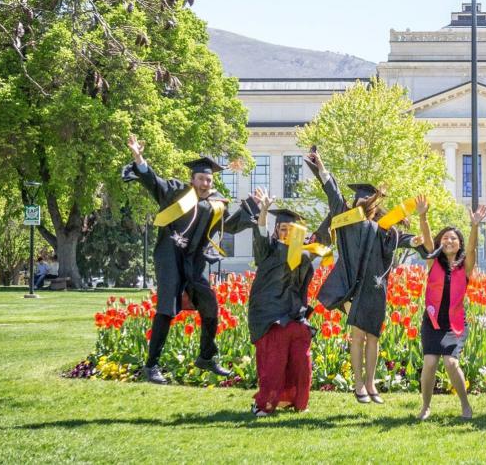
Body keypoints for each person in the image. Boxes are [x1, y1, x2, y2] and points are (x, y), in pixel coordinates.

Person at [123, 134, 260, 384]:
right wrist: (139, 158)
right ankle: (151, 366)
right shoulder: (177, 193)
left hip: (197, 262)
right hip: (170, 258)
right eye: (201, 178)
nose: (205, 183)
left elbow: (228, 226)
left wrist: (251, 205)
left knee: (210, 307)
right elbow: (154, 182)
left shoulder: (217, 202)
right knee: (166, 309)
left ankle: (206, 357)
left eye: (209, 179)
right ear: (192, 179)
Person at [304, 150, 419, 405]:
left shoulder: (383, 229)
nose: (362, 203)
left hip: (374, 289)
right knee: (358, 335)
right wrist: (322, 168)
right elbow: (333, 194)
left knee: (373, 337)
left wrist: (418, 241)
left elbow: (403, 239)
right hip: (350, 288)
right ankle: (358, 385)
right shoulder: (345, 221)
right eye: (359, 200)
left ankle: (370, 384)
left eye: (368, 200)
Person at [247, 193, 331, 417]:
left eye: (291, 229)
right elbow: (260, 233)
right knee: (273, 368)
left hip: (295, 318)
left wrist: (339, 205)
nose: (286, 232)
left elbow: (324, 235)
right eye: (282, 228)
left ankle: (298, 403)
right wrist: (264, 211)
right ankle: (263, 405)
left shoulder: (303, 252)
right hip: (271, 318)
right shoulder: (268, 251)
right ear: (276, 230)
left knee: (302, 366)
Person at [414, 197, 486, 420]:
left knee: (451, 362)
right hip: (433, 321)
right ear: (440, 242)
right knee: (429, 362)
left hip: (454, 323)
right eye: (445, 238)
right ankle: (426, 406)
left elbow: (473, 248)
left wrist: (474, 225)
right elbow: (427, 240)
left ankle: (465, 405)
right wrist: (423, 216)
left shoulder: (464, 267)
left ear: (459, 243)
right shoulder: (432, 261)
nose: (449, 241)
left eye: (454, 238)